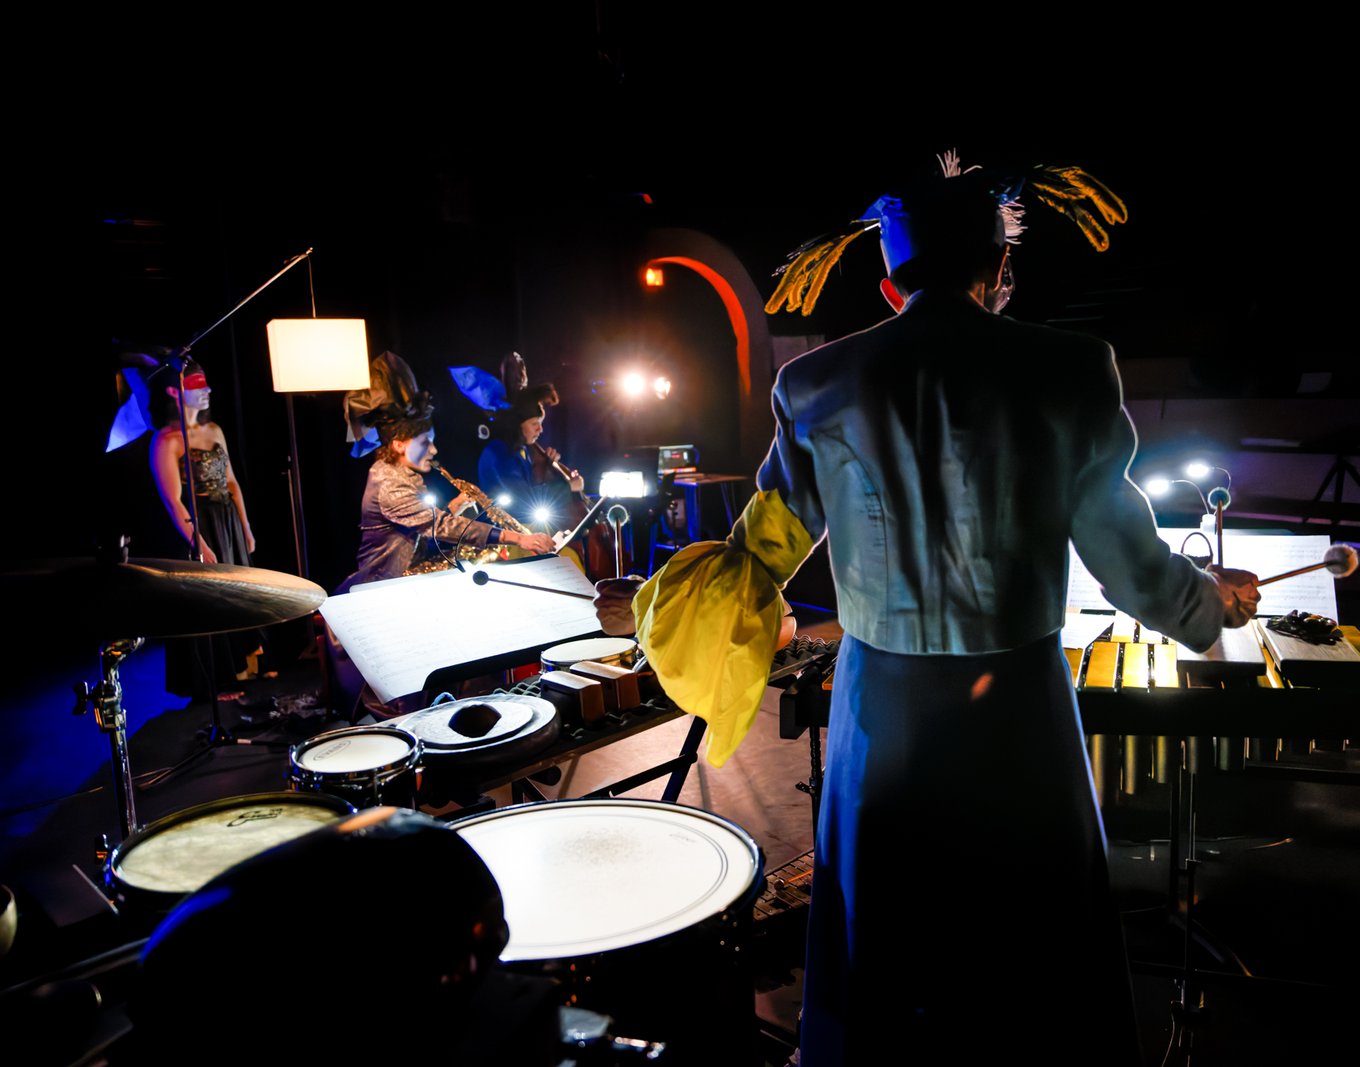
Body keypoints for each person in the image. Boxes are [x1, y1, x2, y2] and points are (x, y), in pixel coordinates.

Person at [595, 153, 1261, 1065]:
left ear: (887, 282)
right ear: (1000, 275)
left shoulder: (817, 384)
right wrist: (1207, 606)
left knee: (887, 925)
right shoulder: (1072, 369)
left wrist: (650, 607)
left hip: (884, 712)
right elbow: (1128, 560)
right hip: (1021, 705)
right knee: (1031, 927)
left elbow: (759, 555)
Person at [336, 352, 554, 595]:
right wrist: (518, 538)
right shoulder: (389, 483)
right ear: (399, 445)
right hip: (382, 589)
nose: (434, 449)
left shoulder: (403, 474)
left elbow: (420, 525)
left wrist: (452, 508)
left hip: (403, 581)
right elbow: (439, 526)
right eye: (425, 443)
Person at [143, 356, 265, 693]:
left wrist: (246, 526)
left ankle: (243, 667)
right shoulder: (166, 440)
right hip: (200, 524)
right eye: (197, 385)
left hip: (226, 519)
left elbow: (232, 481)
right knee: (211, 600)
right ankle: (214, 682)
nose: (207, 389)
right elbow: (173, 500)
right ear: (173, 390)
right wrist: (198, 542)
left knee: (238, 594)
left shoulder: (214, 430)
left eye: (206, 383)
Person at [477, 382, 588, 534]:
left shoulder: (522, 450)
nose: (540, 430)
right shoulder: (499, 452)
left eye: (541, 424)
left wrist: (548, 466)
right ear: (517, 425)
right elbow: (524, 500)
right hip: (502, 536)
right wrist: (567, 487)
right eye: (534, 423)